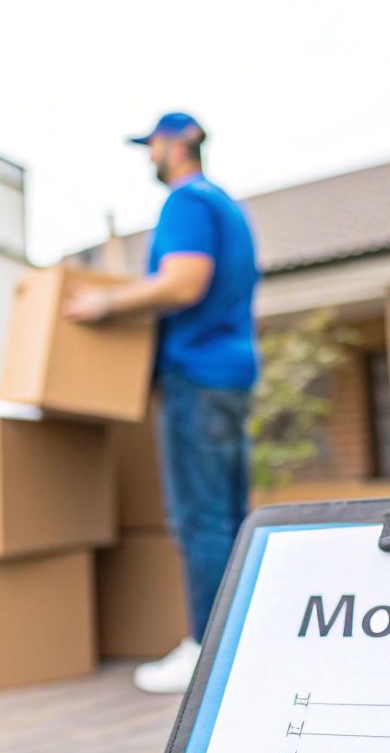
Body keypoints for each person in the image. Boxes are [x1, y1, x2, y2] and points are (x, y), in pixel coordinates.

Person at [65, 112, 259, 693]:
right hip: (227, 373)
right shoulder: (227, 206)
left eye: (150, 145)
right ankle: (240, 642)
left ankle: (206, 650)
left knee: (200, 518)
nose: (149, 156)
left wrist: (107, 305)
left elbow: (183, 282)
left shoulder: (187, 203)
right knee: (228, 516)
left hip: (195, 375)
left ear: (177, 144)